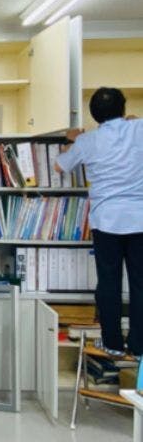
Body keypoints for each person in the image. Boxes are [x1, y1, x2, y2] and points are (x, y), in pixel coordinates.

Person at [56, 87, 143, 357]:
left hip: (106, 221)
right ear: (123, 108)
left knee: (108, 283)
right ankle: (139, 346)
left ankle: (113, 343)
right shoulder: (139, 128)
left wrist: (72, 139)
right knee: (140, 284)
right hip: (140, 219)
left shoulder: (87, 141)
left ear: (94, 114)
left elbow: (60, 165)